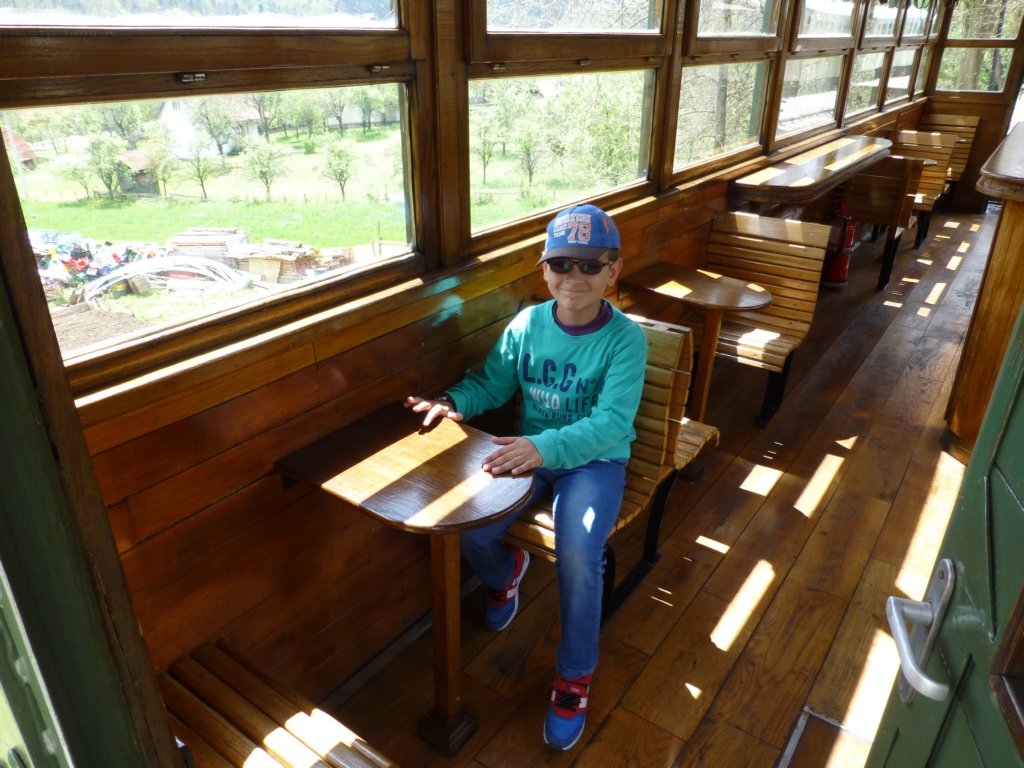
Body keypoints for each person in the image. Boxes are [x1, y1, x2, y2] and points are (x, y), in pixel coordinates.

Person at [405, 203, 647, 751]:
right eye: (561, 263)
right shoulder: (528, 324)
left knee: (579, 554)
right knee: (471, 527)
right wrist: (453, 403)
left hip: (594, 462)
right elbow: (491, 384)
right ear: (544, 269)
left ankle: (575, 675)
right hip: (528, 453)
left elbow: (612, 423)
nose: (574, 276)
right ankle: (506, 572)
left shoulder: (625, 340)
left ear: (614, 271)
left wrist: (543, 447)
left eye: (591, 265)